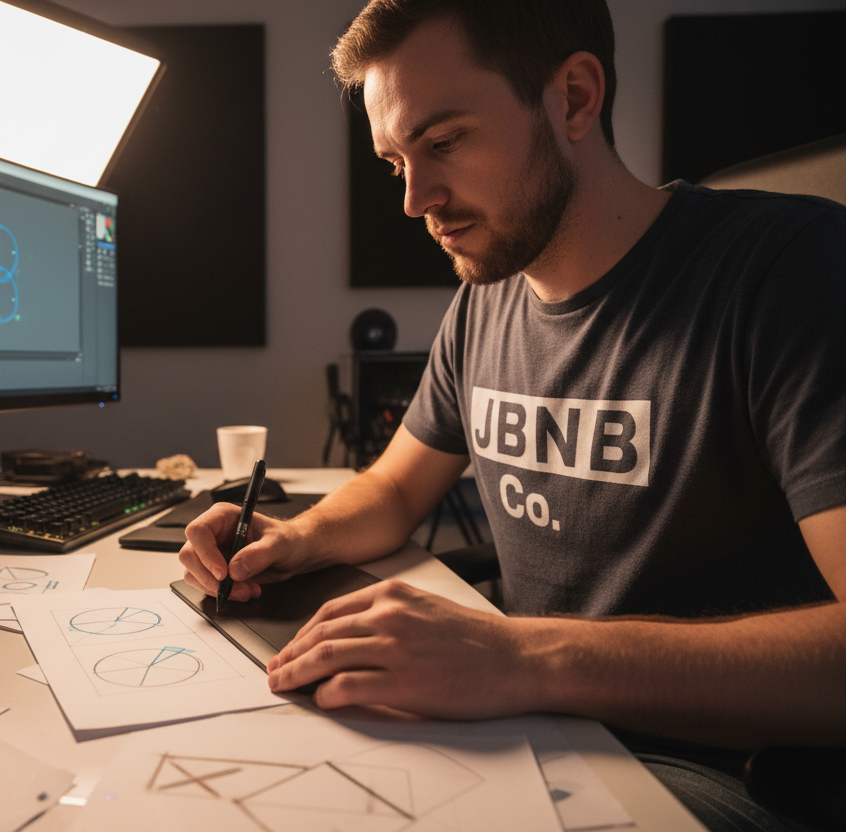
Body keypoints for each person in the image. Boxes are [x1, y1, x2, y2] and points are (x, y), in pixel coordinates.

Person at [179, 0, 846, 828]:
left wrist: (522, 656)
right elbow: (392, 490)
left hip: (718, 774)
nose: (415, 199)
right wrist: (295, 538)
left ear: (573, 97)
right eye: (395, 164)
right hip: (533, 726)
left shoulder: (790, 275)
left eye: (445, 141)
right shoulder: (486, 303)